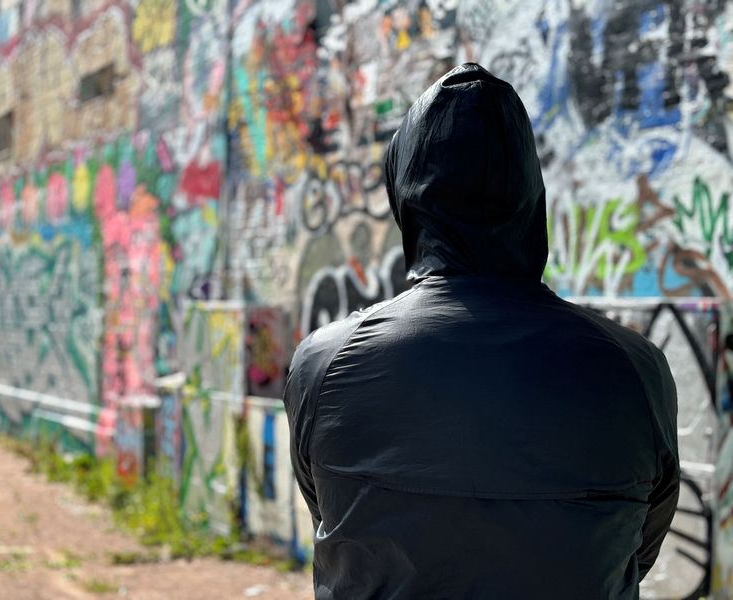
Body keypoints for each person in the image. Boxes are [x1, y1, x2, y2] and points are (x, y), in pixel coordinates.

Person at [282, 63, 679, 599]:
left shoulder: (324, 364)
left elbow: (329, 513)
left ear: (407, 199)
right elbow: (638, 546)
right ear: (531, 200)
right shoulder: (635, 368)